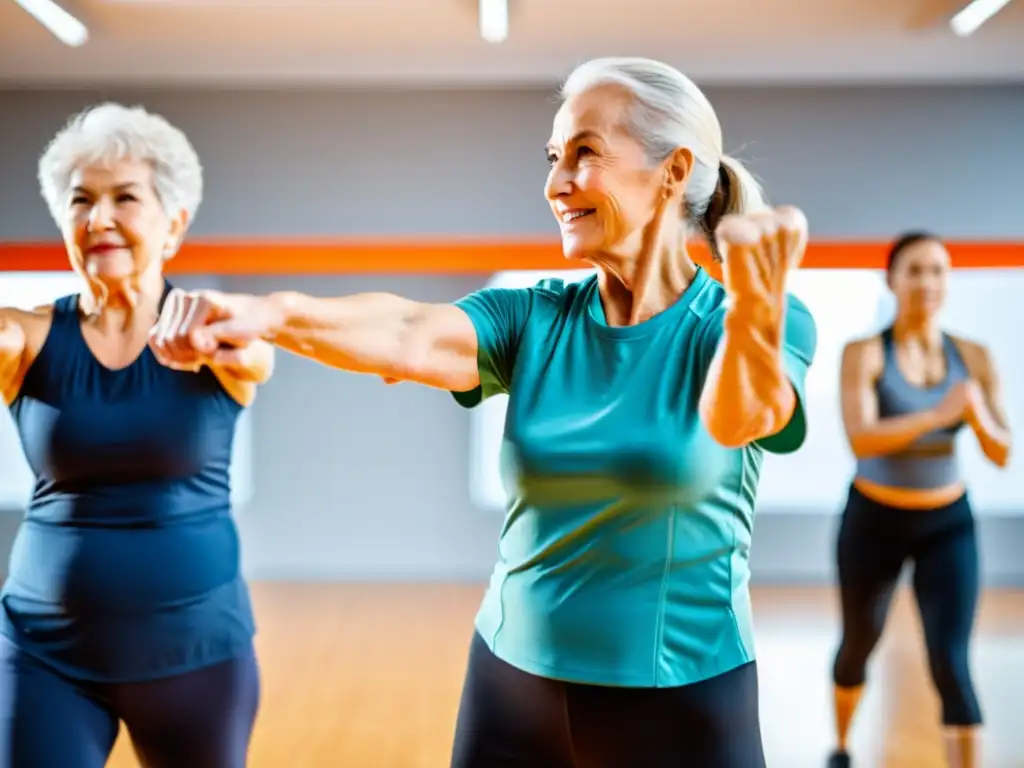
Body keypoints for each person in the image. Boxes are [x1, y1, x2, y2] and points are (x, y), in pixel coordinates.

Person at [150, 57, 818, 767]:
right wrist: (264, 313)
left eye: (585, 153)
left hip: (678, 696)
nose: (556, 184)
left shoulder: (744, 322)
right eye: (553, 157)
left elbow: (742, 417)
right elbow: (406, 333)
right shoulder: (535, 319)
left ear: (673, 170)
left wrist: (757, 310)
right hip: (511, 683)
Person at [0, 102, 275, 768]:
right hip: (44, 653)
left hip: (197, 657)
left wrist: (218, 332)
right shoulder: (25, 336)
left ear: (173, 223)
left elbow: (257, 353)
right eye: (80, 201)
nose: (99, 220)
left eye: (125, 198)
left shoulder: (217, 337)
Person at [828, 232, 1011, 768]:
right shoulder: (864, 353)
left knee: (951, 661)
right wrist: (938, 414)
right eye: (915, 270)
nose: (927, 282)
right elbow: (861, 437)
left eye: (937, 271)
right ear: (892, 279)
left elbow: (1001, 451)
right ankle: (840, 749)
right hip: (873, 520)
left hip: (947, 524)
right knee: (858, 644)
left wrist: (975, 412)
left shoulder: (972, 356)